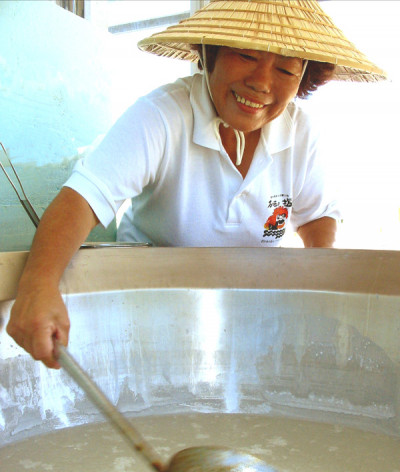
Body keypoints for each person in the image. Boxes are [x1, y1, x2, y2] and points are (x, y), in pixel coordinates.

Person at [6, 0, 386, 369]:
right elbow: (84, 198)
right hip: (147, 326)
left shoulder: (300, 133)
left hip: (253, 331)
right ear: (211, 52)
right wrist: (39, 285)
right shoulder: (163, 115)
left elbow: (317, 216)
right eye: (247, 56)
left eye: (286, 70)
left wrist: (320, 292)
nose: (261, 83)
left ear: (304, 79)